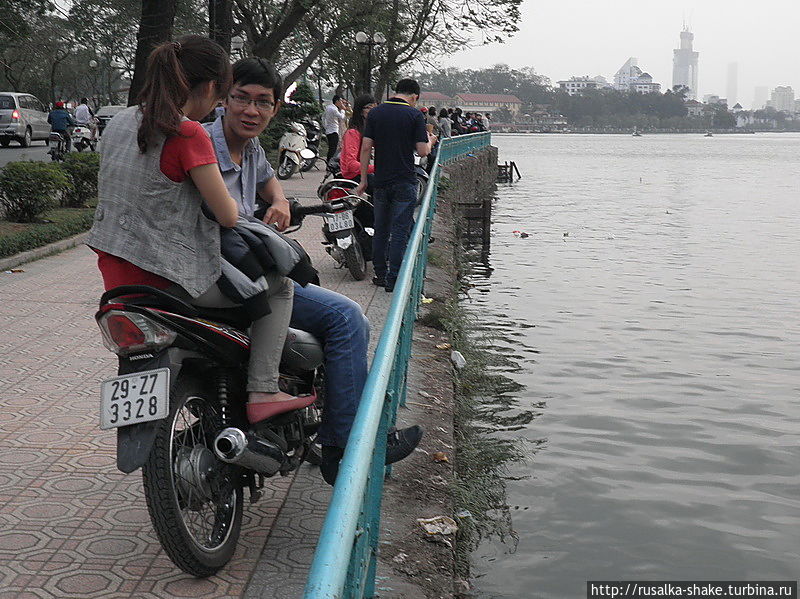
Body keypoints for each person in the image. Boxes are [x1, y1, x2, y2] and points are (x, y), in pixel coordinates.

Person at [202, 58, 422, 484]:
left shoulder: (251, 150)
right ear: (222, 99)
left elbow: (270, 185)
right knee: (347, 318)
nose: (251, 110)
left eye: (262, 102)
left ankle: (335, 426)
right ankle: (345, 448)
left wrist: (281, 202)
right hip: (232, 278)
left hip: (243, 269)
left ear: (274, 110)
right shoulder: (202, 146)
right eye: (241, 99)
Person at [86, 35, 309, 426]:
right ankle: (262, 388)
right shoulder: (189, 133)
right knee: (282, 285)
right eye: (224, 93)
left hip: (115, 276)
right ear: (210, 88)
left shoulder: (121, 121)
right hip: (171, 278)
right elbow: (226, 215)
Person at [355, 78, 436, 292]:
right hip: (405, 180)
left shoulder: (375, 113)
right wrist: (431, 141)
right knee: (399, 229)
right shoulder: (414, 115)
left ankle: (380, 274)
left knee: (380, 227)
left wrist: (363, 180)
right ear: (415, 96)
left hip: (381, 180)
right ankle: (394, 278)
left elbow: (365, 148)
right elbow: (422, 151)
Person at [323, 94, 346, 167]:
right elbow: (342, 117)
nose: (341, 103)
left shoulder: (328, 107)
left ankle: (328, 163)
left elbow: (323, 118)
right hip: (333, 131)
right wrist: (342, 109)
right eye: (341, 101)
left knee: (331, 148)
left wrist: (325, 127)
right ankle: (330, 164)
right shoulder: (334, 109)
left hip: (329, 130)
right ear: (337, 101)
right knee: (333, 149)